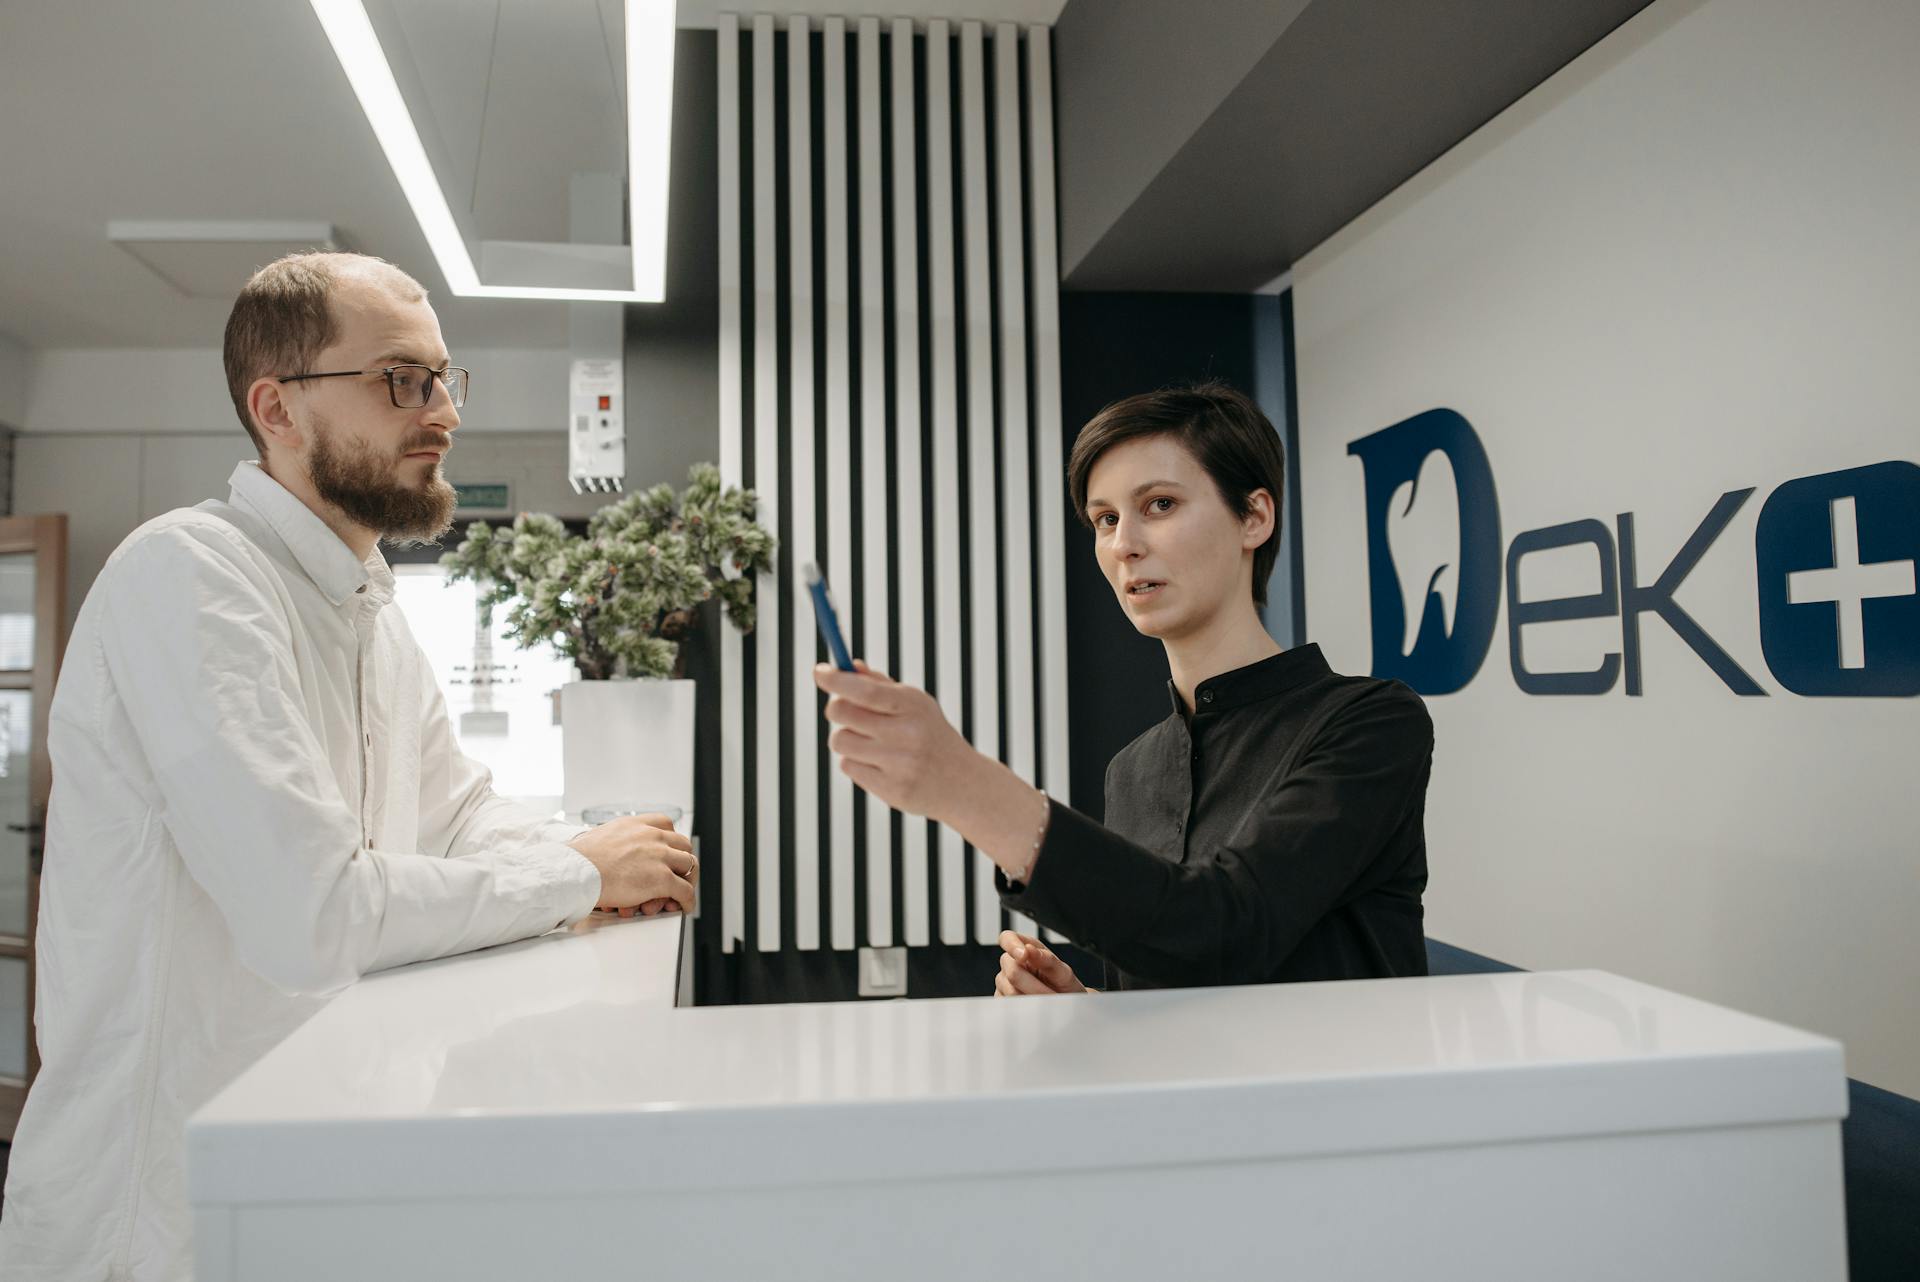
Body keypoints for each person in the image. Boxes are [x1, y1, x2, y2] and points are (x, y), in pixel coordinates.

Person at [0, 252, 697, 1282]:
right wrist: (582, 873)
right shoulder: (188, 575)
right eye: (401, 379)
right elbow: (312, 914)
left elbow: (459, 814)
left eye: (447, 378)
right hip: (154, 1224)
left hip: (309, 1176)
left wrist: (601, 858)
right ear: (277, 408)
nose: (444, 411)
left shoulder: (367, 606)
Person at [816, 382, 1432, 997]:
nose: (1123, 544)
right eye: (1105, 519)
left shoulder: (1372, 722)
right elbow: (1172, 964)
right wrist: (1093, 1007)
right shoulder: (1133, 771)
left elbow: (1226, 931)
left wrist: (965, 784)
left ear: (1254, 517)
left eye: (1159, 504)